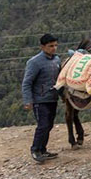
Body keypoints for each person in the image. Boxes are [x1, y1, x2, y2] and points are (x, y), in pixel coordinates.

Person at [22, 33, 61, 163]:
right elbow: (27, 82)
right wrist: (28, 101)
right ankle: (35, 150)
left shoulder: (57, 60)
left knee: (49, 125)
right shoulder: (34, 62)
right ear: (42, 47)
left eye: (55, 45)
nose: (54, 48)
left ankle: (43, 150)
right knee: (43, 125)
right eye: (51, 46)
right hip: (40, 100)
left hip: (52, 99)